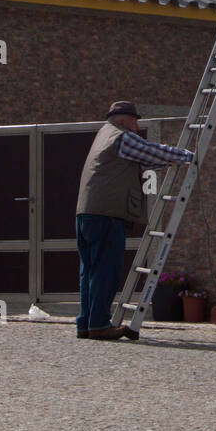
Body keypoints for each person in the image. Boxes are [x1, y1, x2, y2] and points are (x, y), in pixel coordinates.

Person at [75, 99, 194, 340]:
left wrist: (165, 161)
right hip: (106, 215)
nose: (137, 127)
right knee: (105, 271)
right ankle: (99, 325)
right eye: (135, 121)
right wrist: (189, 155)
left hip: (87, 213)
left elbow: (144, 159)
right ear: (126, 120)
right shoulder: (122, 137)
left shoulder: (104, 134)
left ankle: (86, 324)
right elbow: (151, 151)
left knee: (89, 271)